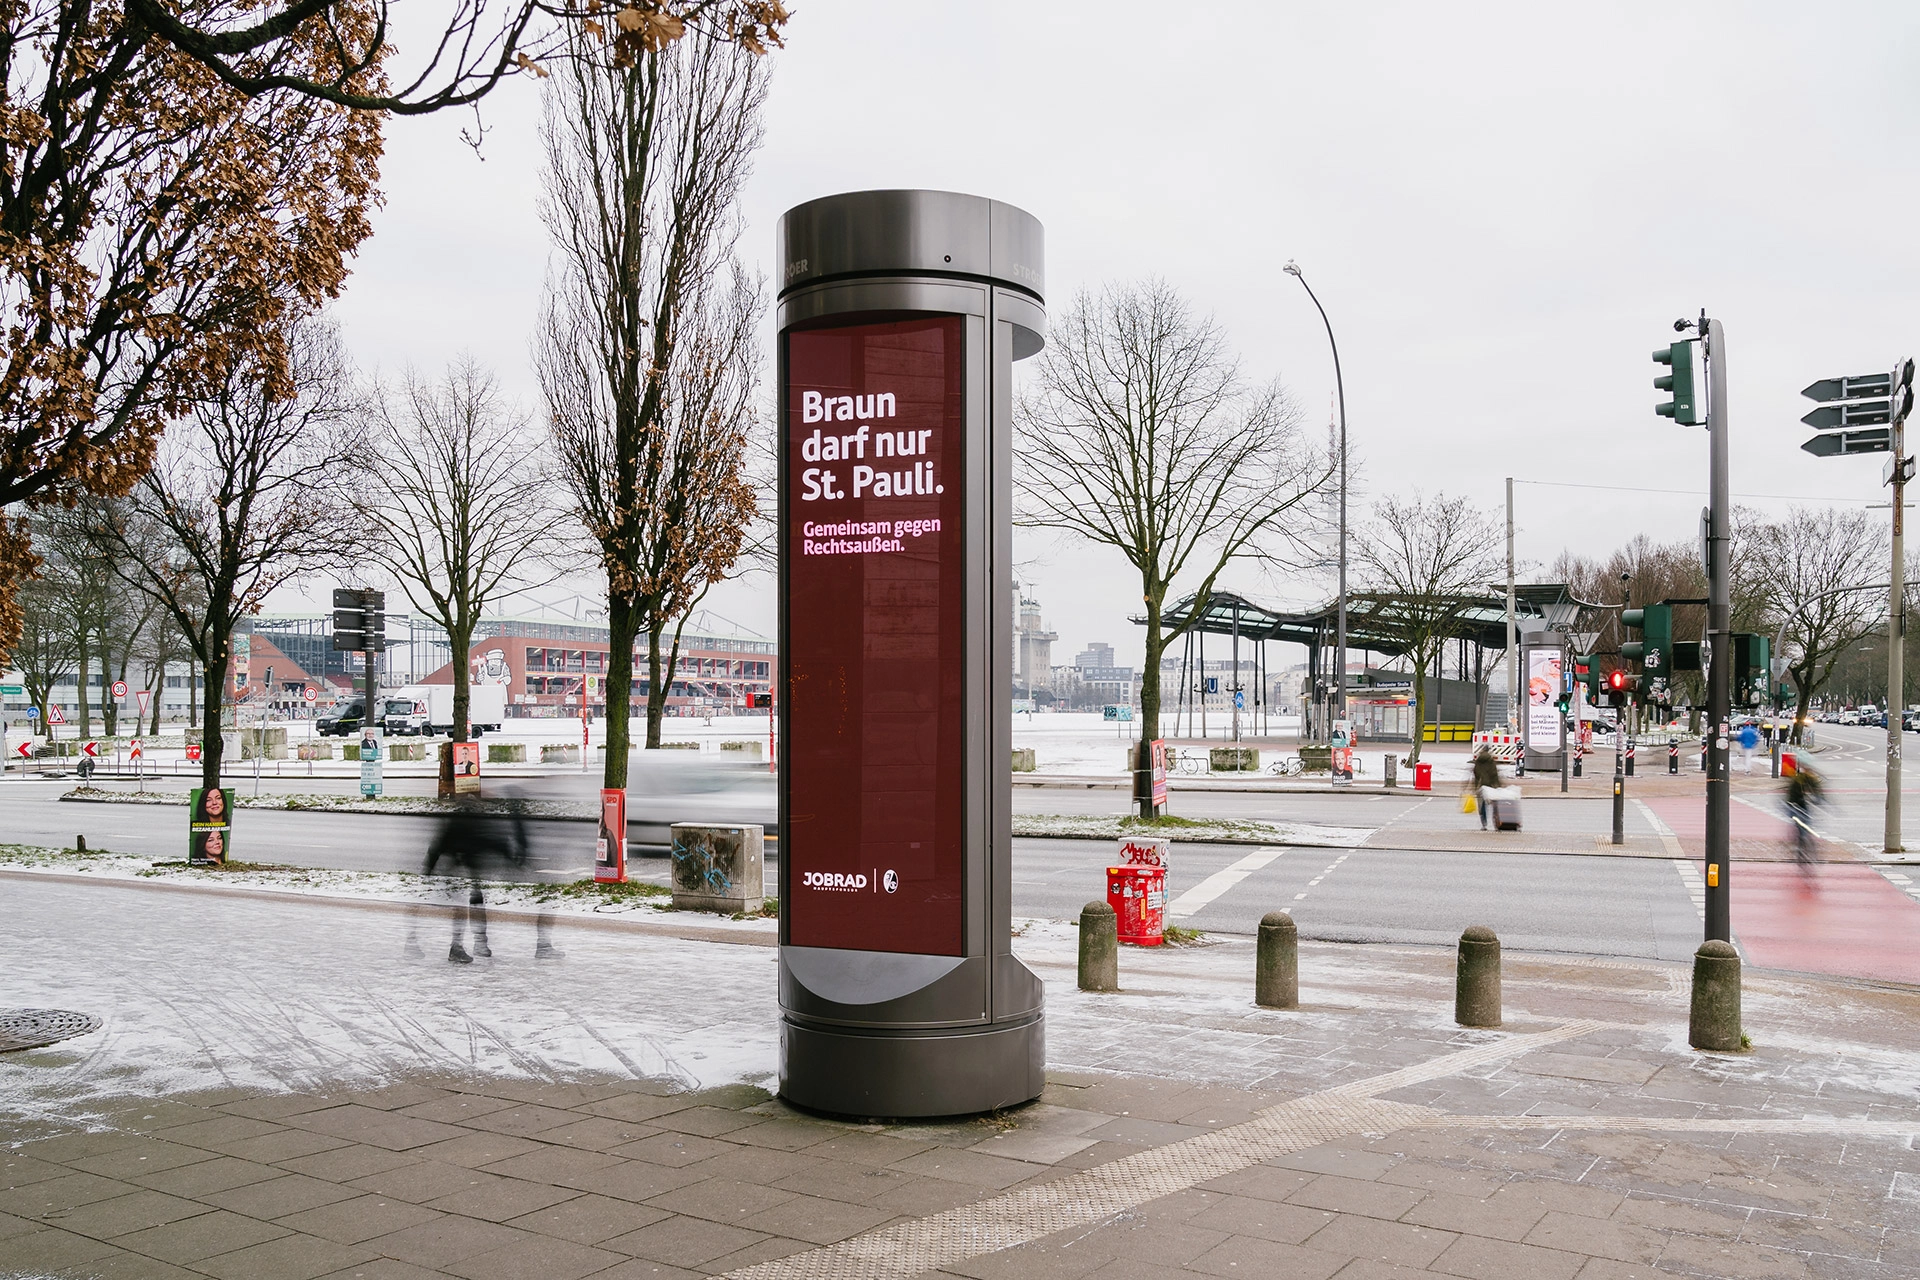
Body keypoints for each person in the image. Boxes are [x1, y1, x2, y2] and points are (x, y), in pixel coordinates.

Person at [1784, 759, 1825, 879]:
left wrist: (1818, 799)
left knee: (1806, 829)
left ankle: (1806, 849)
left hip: (1804, 807)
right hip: (1793, 806)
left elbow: (1818, 792)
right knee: (1800, 828)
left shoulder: (1810, 778)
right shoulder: (1797, 778)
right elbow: (1790, 795)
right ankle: (1799, 848)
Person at [1469, 747, 1501, 831]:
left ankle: (1484, 824)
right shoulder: (1491, 761)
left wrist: (1475, 787)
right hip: (1491, 786)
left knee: (1482, 807)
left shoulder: (1478, 761)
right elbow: (1495, 774)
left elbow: (1476, 774)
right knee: (1495, 806)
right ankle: (1496, 824)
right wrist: (1498, 786)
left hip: (1481, 786)